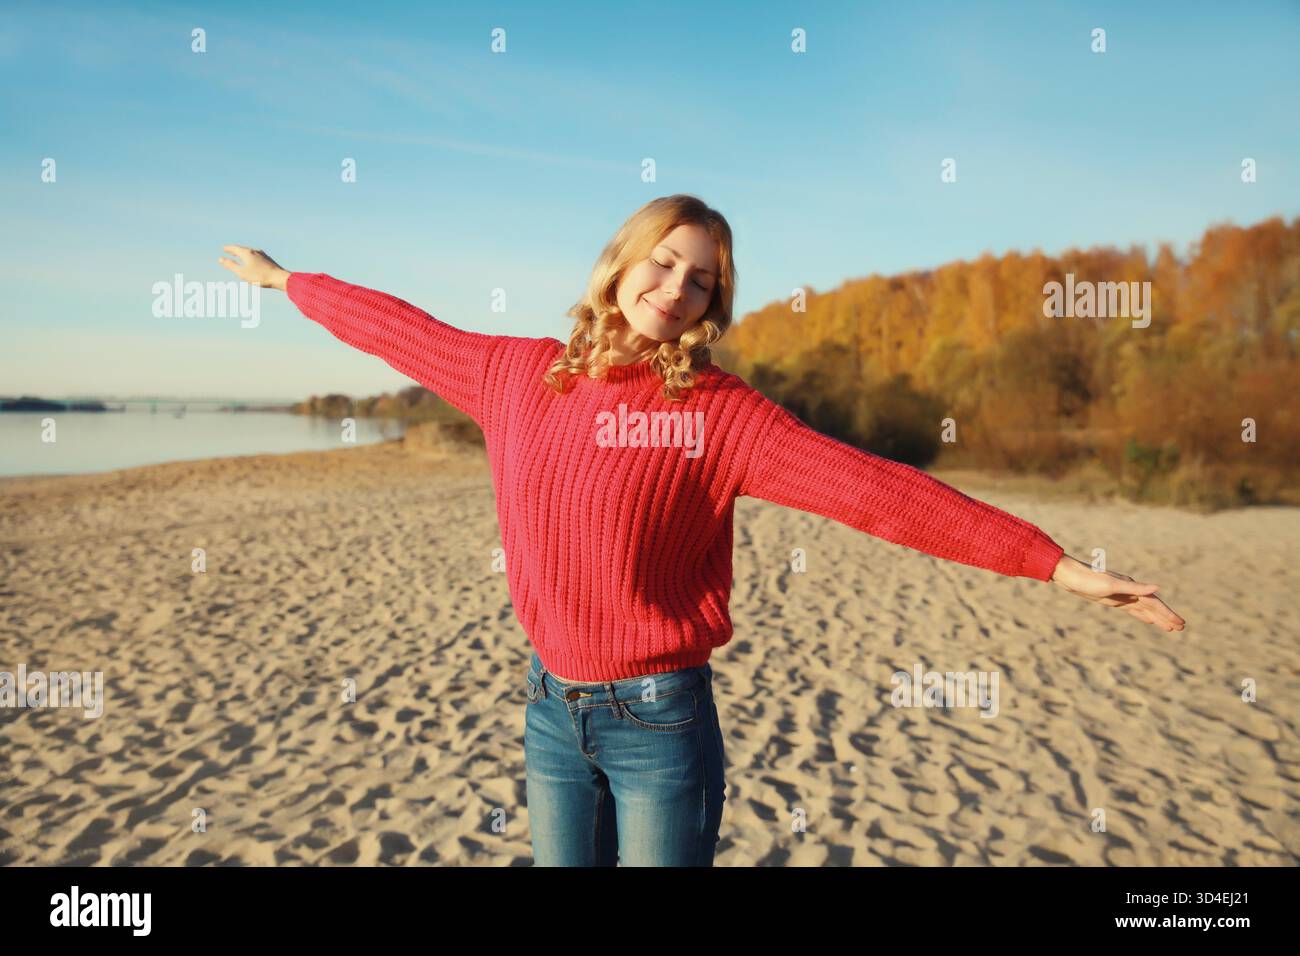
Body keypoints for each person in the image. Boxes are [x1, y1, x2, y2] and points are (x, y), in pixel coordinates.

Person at [217, 194, 1185, 866]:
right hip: (550, 708)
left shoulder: (720, 416)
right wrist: (284, 280)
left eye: (700, 280)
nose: (674, 287)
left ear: (710, 305)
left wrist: (1051, 563)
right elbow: (393, 325)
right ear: (621, 262)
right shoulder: (515, 373)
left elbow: (876, 491)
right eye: (663, 260)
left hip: (658, 718)